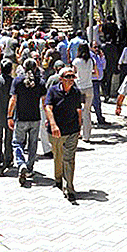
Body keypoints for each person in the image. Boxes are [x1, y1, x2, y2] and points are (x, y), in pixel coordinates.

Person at [44, 66, 83, 203]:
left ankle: (69, 188)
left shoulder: (76, 92)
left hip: (72, 130)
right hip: (56, 131)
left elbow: (79, 110)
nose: (71, 79)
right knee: (58, 156)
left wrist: (79, 126)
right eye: (68, 77)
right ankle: (58, 179)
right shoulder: (53, 91)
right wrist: (53, 124)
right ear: (61, 79)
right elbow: (48, 107)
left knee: (69, 159)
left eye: (73, 76)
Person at [8, 58, 47, 186]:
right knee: (33, 144)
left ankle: (21, 163)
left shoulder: (17, 81)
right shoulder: (40, 82)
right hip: (35, 118)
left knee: (17, 143)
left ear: (23, 68)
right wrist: (48, 118)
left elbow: (13, 100)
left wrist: (9, 116)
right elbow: (44, 102)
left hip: (21, 118)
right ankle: (29, 168)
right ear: (36, 68)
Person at [72, 43, 97, 142]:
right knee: (87, 112)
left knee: (76, 111)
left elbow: (73, 73)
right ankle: (87, 135)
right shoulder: (91, 61)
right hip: (89, 87)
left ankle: (77, 133)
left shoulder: (76, 61)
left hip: (79, 87)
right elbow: (95, 73)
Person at [90, 41, 108, 125]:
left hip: (97, 81)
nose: (97, 49)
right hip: (92, 81)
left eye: (98, 47)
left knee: (96, 100)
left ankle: (99, 117)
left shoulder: (97, 56)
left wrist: (102, 57)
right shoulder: (90, 57)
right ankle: (99, 118)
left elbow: (103, 66)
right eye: (95, 47)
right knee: (96, 101)